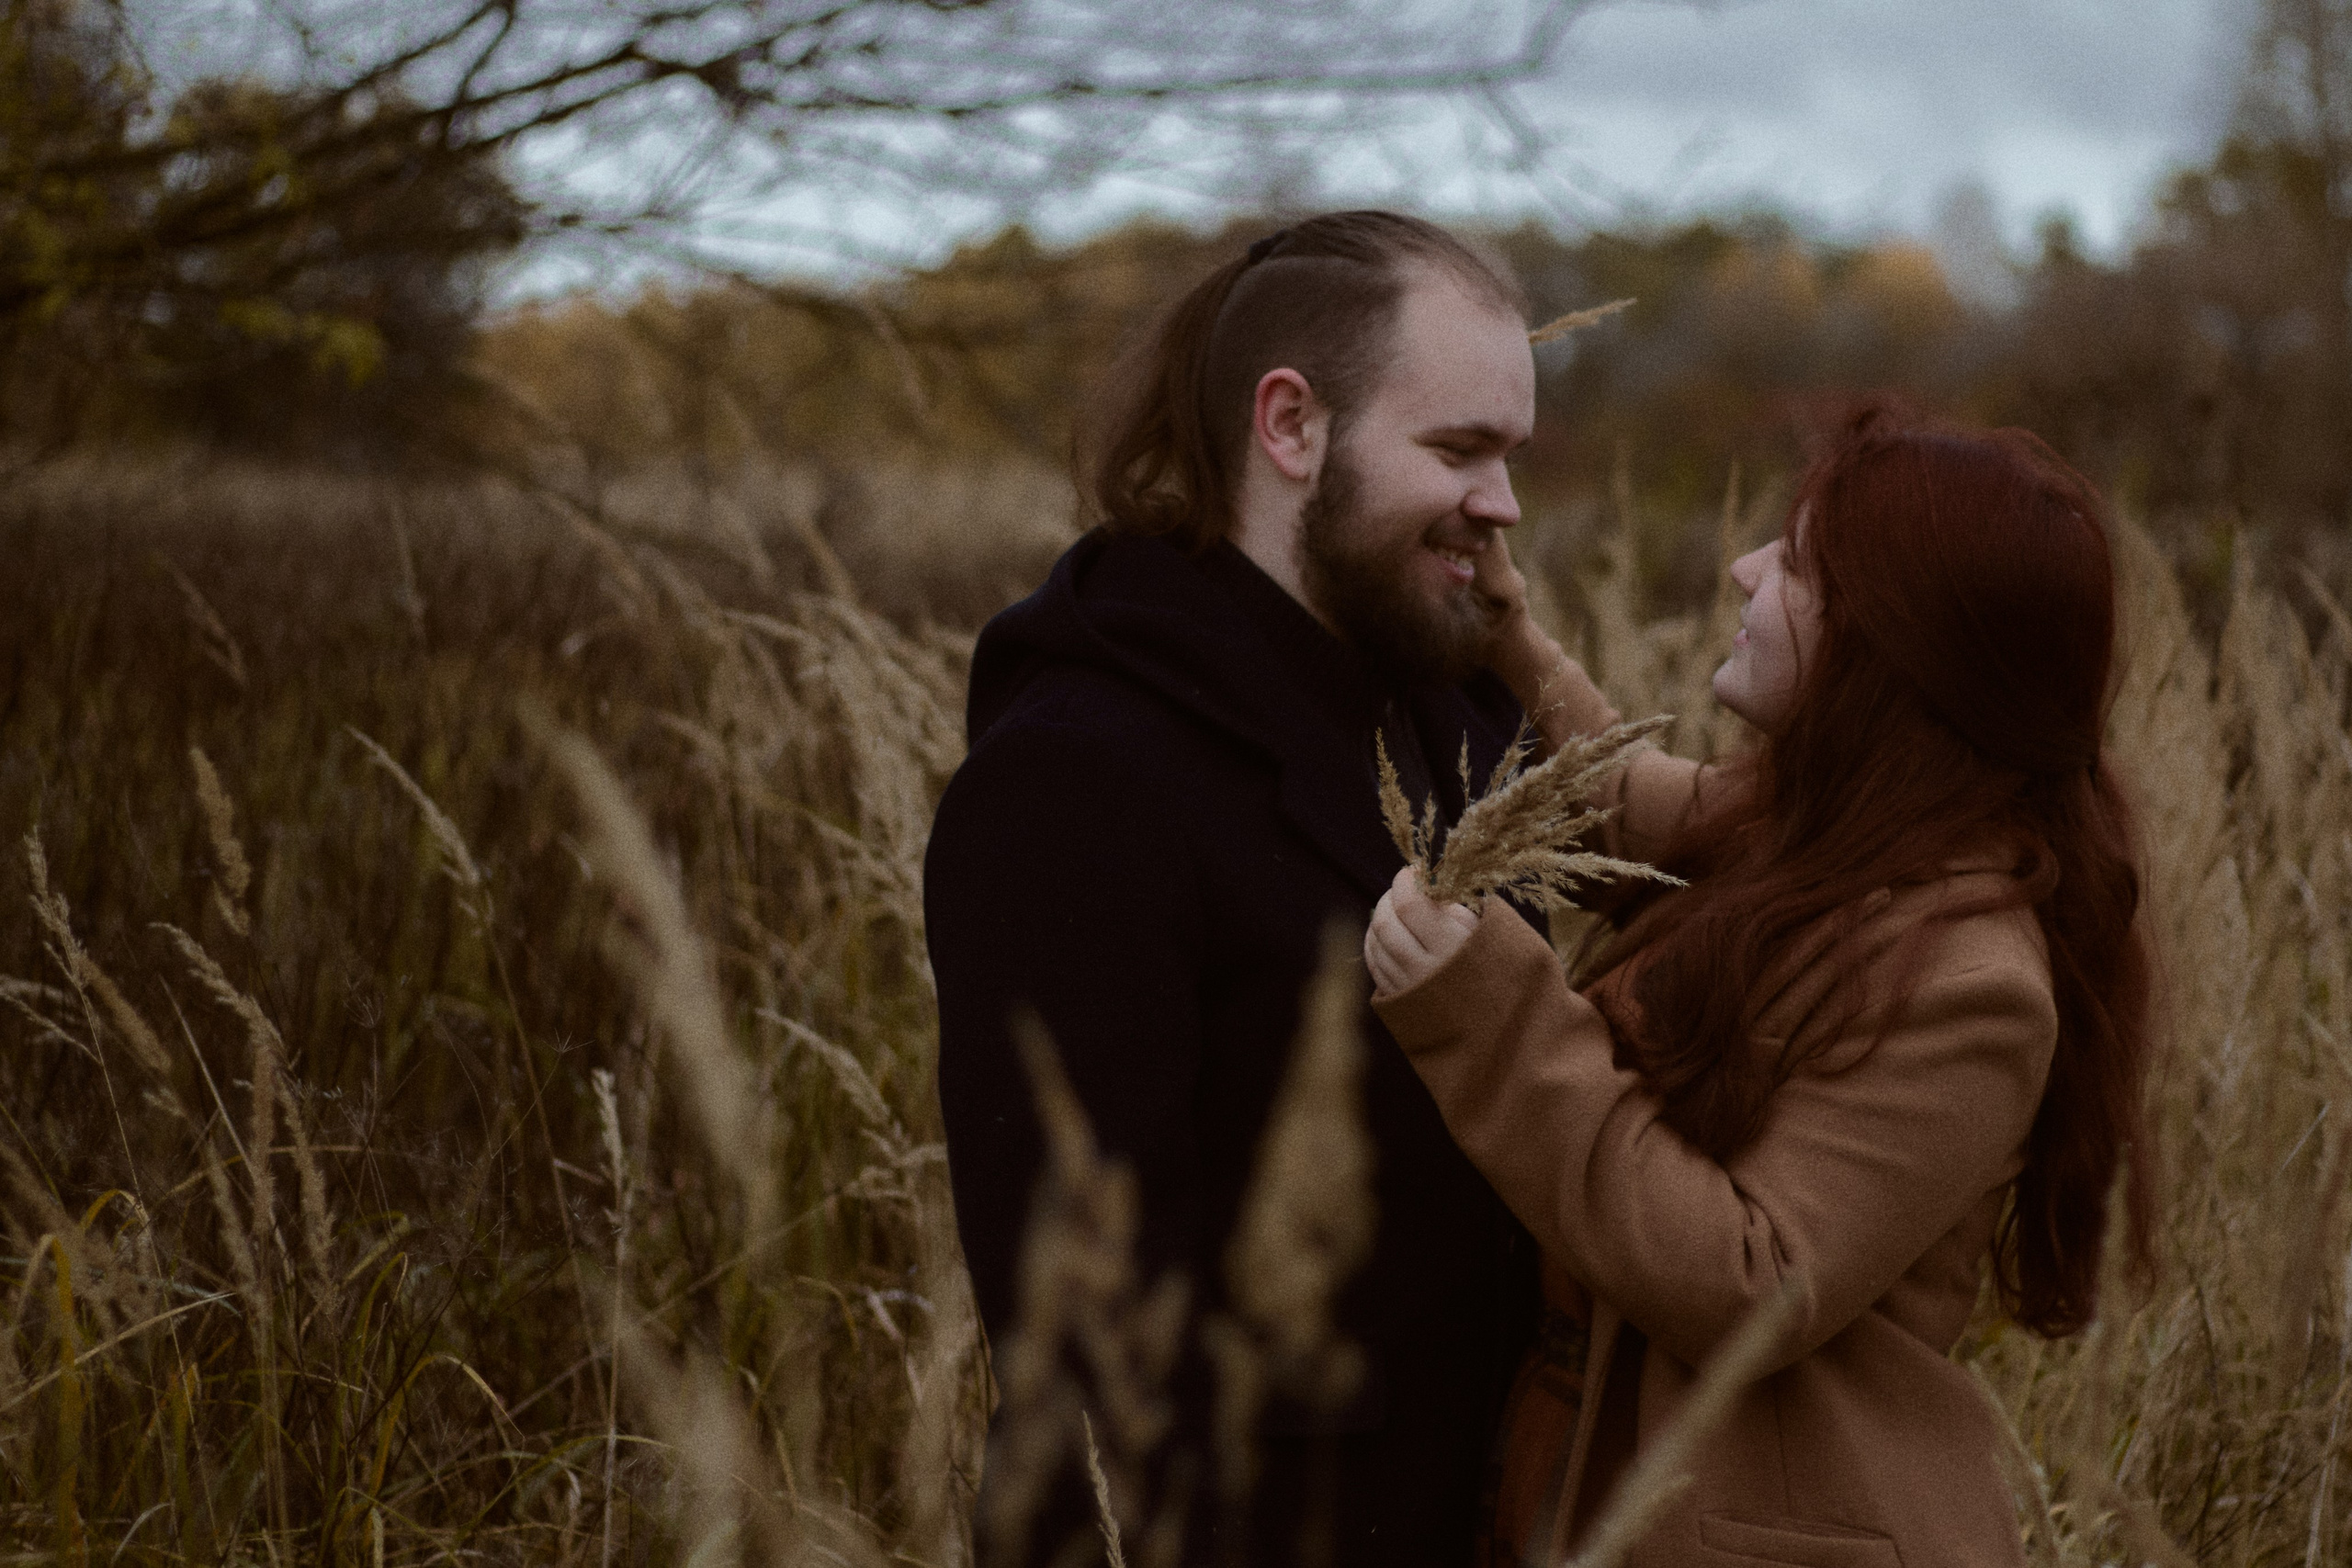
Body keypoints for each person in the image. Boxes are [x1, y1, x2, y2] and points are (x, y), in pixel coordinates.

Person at [1364, 406, 2156, 1568]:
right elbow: (1627, 807)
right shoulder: (1836, 832)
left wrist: (1492, 1016)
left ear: (1892, 647)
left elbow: (1753, 1282)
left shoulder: (1972, 984)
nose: (1740, 570)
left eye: (1791, 563)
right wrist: (1511, 640)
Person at [925, 212, 1548, 1566]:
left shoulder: (1463, 726)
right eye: (1459, 450)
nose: (1501, 505)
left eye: (1510, 457)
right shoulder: (1080, 780)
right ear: (1291, 427)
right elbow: (1093, 1354)